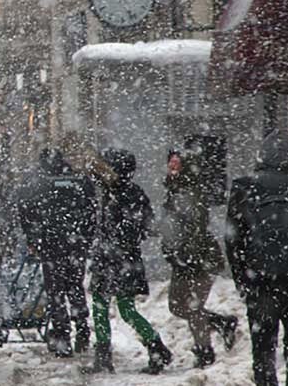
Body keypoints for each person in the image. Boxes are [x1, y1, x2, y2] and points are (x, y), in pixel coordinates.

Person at [226, 131, 288, 386]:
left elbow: (233, 240)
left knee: (263, 352)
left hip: (260, 282)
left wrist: (242, 279)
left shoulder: (244, 186)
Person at [83, 148, 172, 374]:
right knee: (106, 307)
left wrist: (118, 237)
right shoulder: (110, 191)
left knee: (119, 308)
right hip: (117, 259)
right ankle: (150, 349)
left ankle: (155, 349)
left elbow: (143, 227)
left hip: (119, 260)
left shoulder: (128, 195)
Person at [159, 145, 237, 368]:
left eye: (176, 162)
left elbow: (193, 228)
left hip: (197, 259)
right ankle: (222, 322)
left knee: (192, 308)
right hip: (182, 259)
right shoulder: (175, 190)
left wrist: (186, 257)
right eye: (170, 162)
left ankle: (205, 352)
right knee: (177, 306)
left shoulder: (189, 192)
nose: (171, 166)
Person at [16, 147, 96, 357]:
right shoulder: (79, 181)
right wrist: (85, 239)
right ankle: (82, 329)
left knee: (56, 291)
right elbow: (91, 210)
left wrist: (33, 239)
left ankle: (62, 337)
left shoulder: (39, 184)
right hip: (76, 246)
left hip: (51, 246)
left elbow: (25, 210)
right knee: (75, 288)